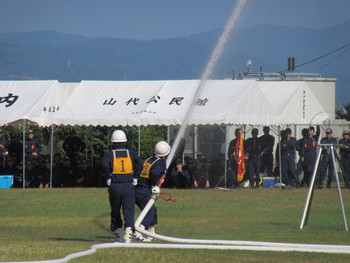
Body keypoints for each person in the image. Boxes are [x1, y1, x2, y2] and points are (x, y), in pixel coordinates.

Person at [102, 129, 142, 243]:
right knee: (129, 209)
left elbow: (104, 165)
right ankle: (129, 233)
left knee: (115, 210)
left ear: (113, 142)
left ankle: (118, 233)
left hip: (115, 185)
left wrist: (108, 177)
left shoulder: (109, 154)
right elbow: (140, 164)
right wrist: (135, 177)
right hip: (128, 185)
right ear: (125, 141)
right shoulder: (131, 153)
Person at [134, 141, 170, 242]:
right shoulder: (161, 162)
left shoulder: (149, 159)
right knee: (151, 212)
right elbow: (154, 173)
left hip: (137, 189)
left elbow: (138, 170)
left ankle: (151, 233)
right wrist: (155, 185)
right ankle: (139, 229)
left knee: (148, 211)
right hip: (144, 190)